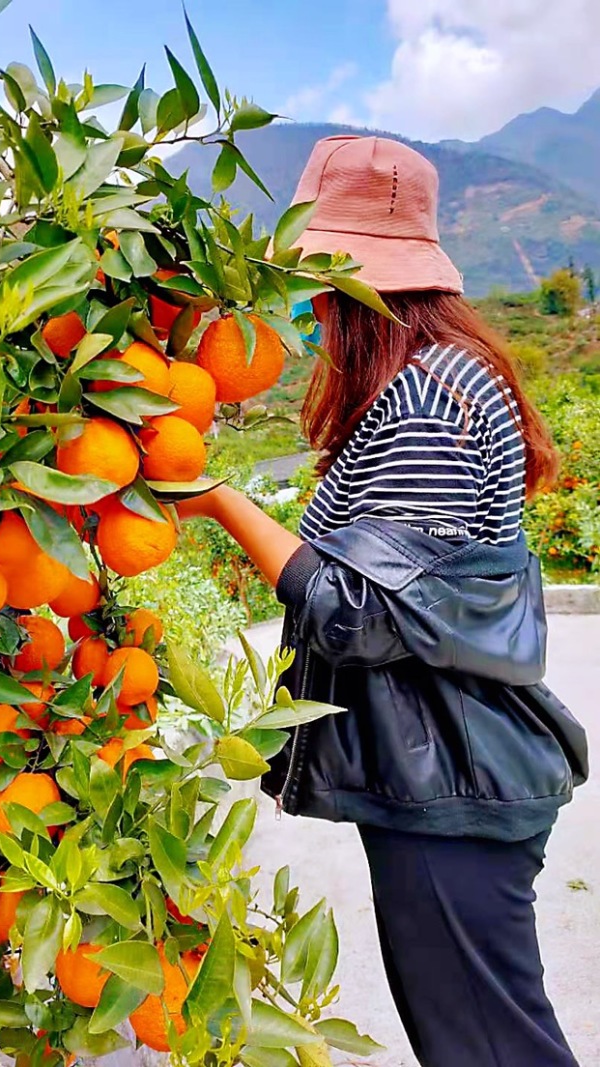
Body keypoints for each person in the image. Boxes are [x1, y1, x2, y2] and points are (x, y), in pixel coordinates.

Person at [179, 136, 589, 1067]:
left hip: (454, 787)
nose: (308, 308)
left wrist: (217, 499)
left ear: (355, 283)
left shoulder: (428, 396)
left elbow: (353, 609)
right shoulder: (432, 376)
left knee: (489, 1050)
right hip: (449, 777)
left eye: (318, 281)